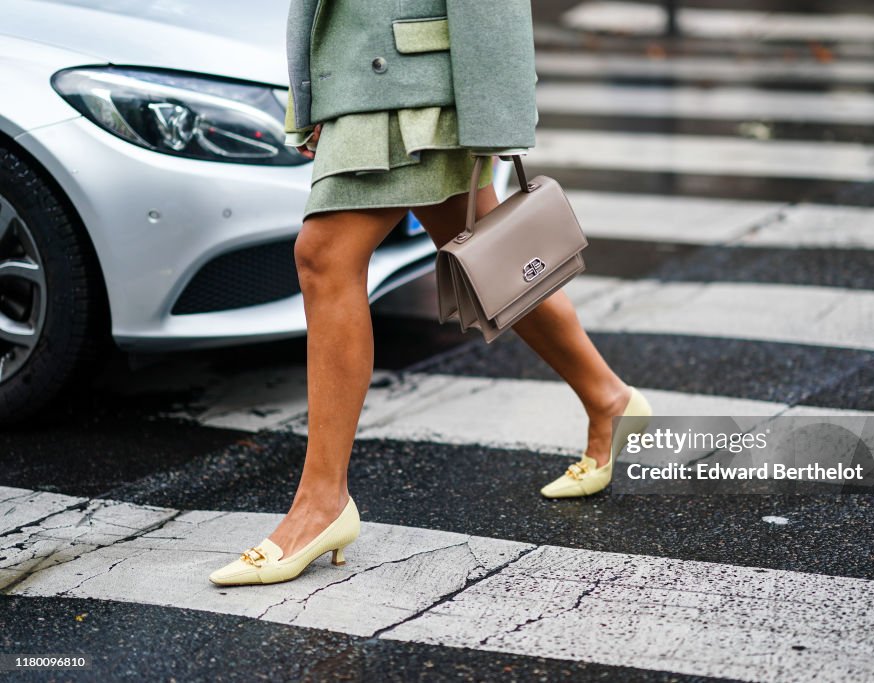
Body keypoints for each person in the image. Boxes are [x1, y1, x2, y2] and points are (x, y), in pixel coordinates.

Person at [208, 0, 652, 586]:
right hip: (368, 84)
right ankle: (610, 401)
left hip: (415, 88)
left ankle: (322, 502)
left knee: (324, 258)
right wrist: (316, 93)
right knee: (495, 259)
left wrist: (498, 120)